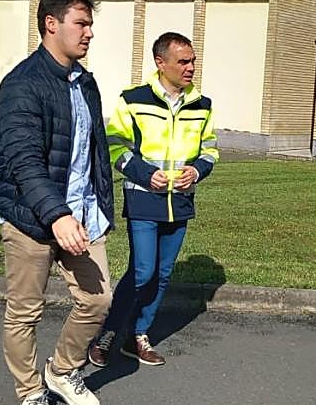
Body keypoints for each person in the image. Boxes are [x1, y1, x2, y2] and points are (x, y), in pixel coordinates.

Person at [0, 0, 115, 405]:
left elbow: (91, 151)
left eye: (90, 24)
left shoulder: (86, 83)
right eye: (81, 24)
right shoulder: (22, 84)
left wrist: (96, 205)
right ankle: (30, 394)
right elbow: (23, 161)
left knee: (98, 299)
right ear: (51, 24)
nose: (89, 33)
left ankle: (61, 371)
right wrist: (56, 214)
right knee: (25, 311)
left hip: (81, 216)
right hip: (32, 219)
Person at [88, 31, 219, 368]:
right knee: (143, 271)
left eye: (192, 60)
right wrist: (145, 174)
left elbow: (210, 149)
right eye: (183, 61)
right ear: (161, 63)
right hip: (145, 199)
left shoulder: (202, 105)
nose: (191, 67)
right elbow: (115, 144)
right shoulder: (133, 100)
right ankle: (107, 333)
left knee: (162, 275)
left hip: (182, 202)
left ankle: (138, 336)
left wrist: (198, 170)